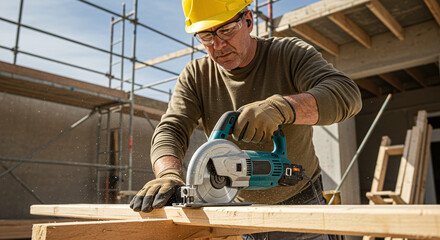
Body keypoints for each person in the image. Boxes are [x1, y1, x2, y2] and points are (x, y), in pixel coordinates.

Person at [130, 0, 362, 239]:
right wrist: (168, 174)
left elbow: (347, 95)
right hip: (238, 212)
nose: (218, 44)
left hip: (300, 206)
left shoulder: (289, 54)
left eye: (226, 30)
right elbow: (171, 128)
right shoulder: (195, 75)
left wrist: (281, 107)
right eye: (205, 36)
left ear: (248, 21)